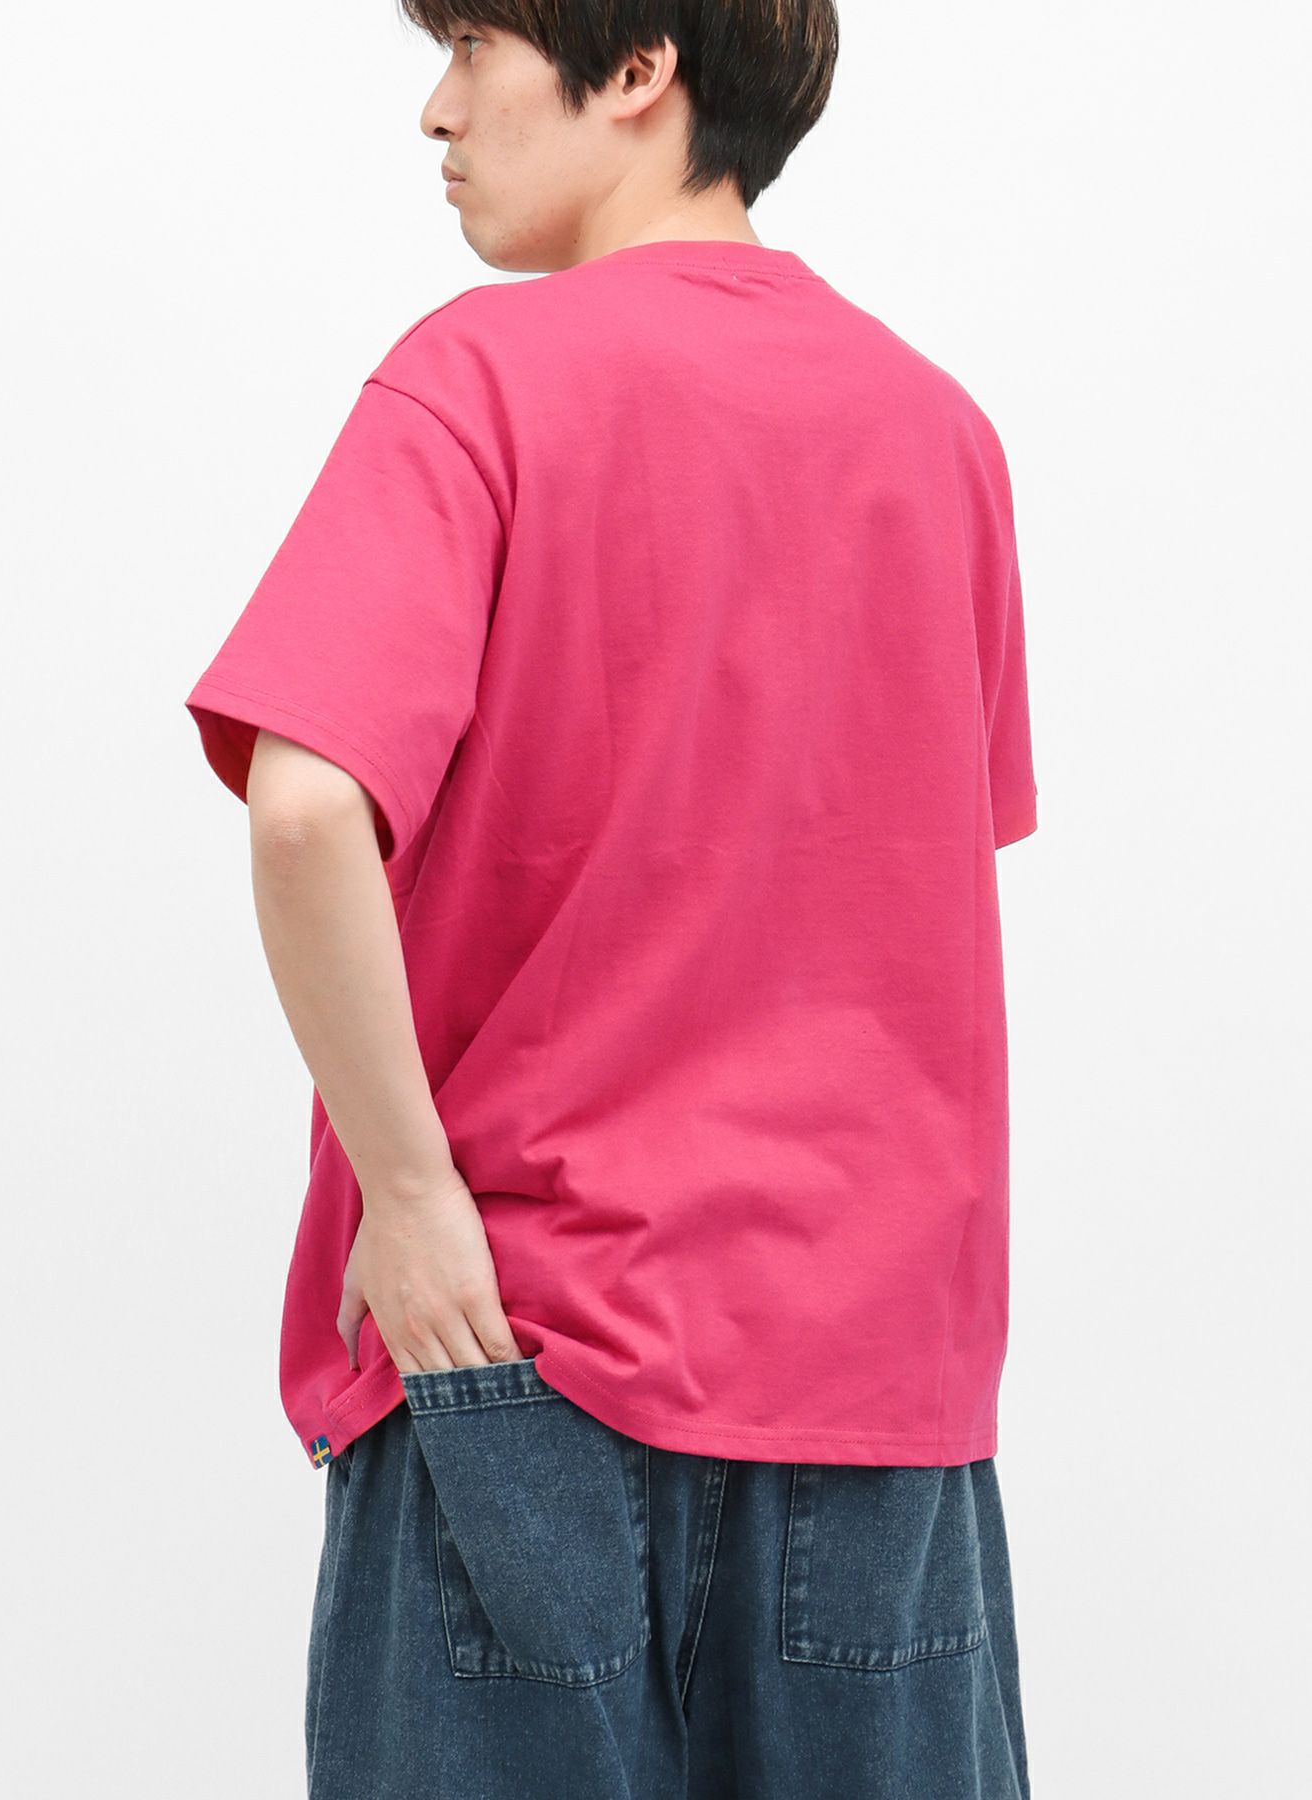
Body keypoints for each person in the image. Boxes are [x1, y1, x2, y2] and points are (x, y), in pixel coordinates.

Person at [183, 4, 1038, 1795]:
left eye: (475, 47)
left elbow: (304, 806)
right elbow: (906, 876)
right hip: (877, 1390)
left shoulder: (481, 379)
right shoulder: (940, 432)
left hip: (525, 1342)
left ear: (637, 68)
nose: (436, 112)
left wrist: (409, 1195)